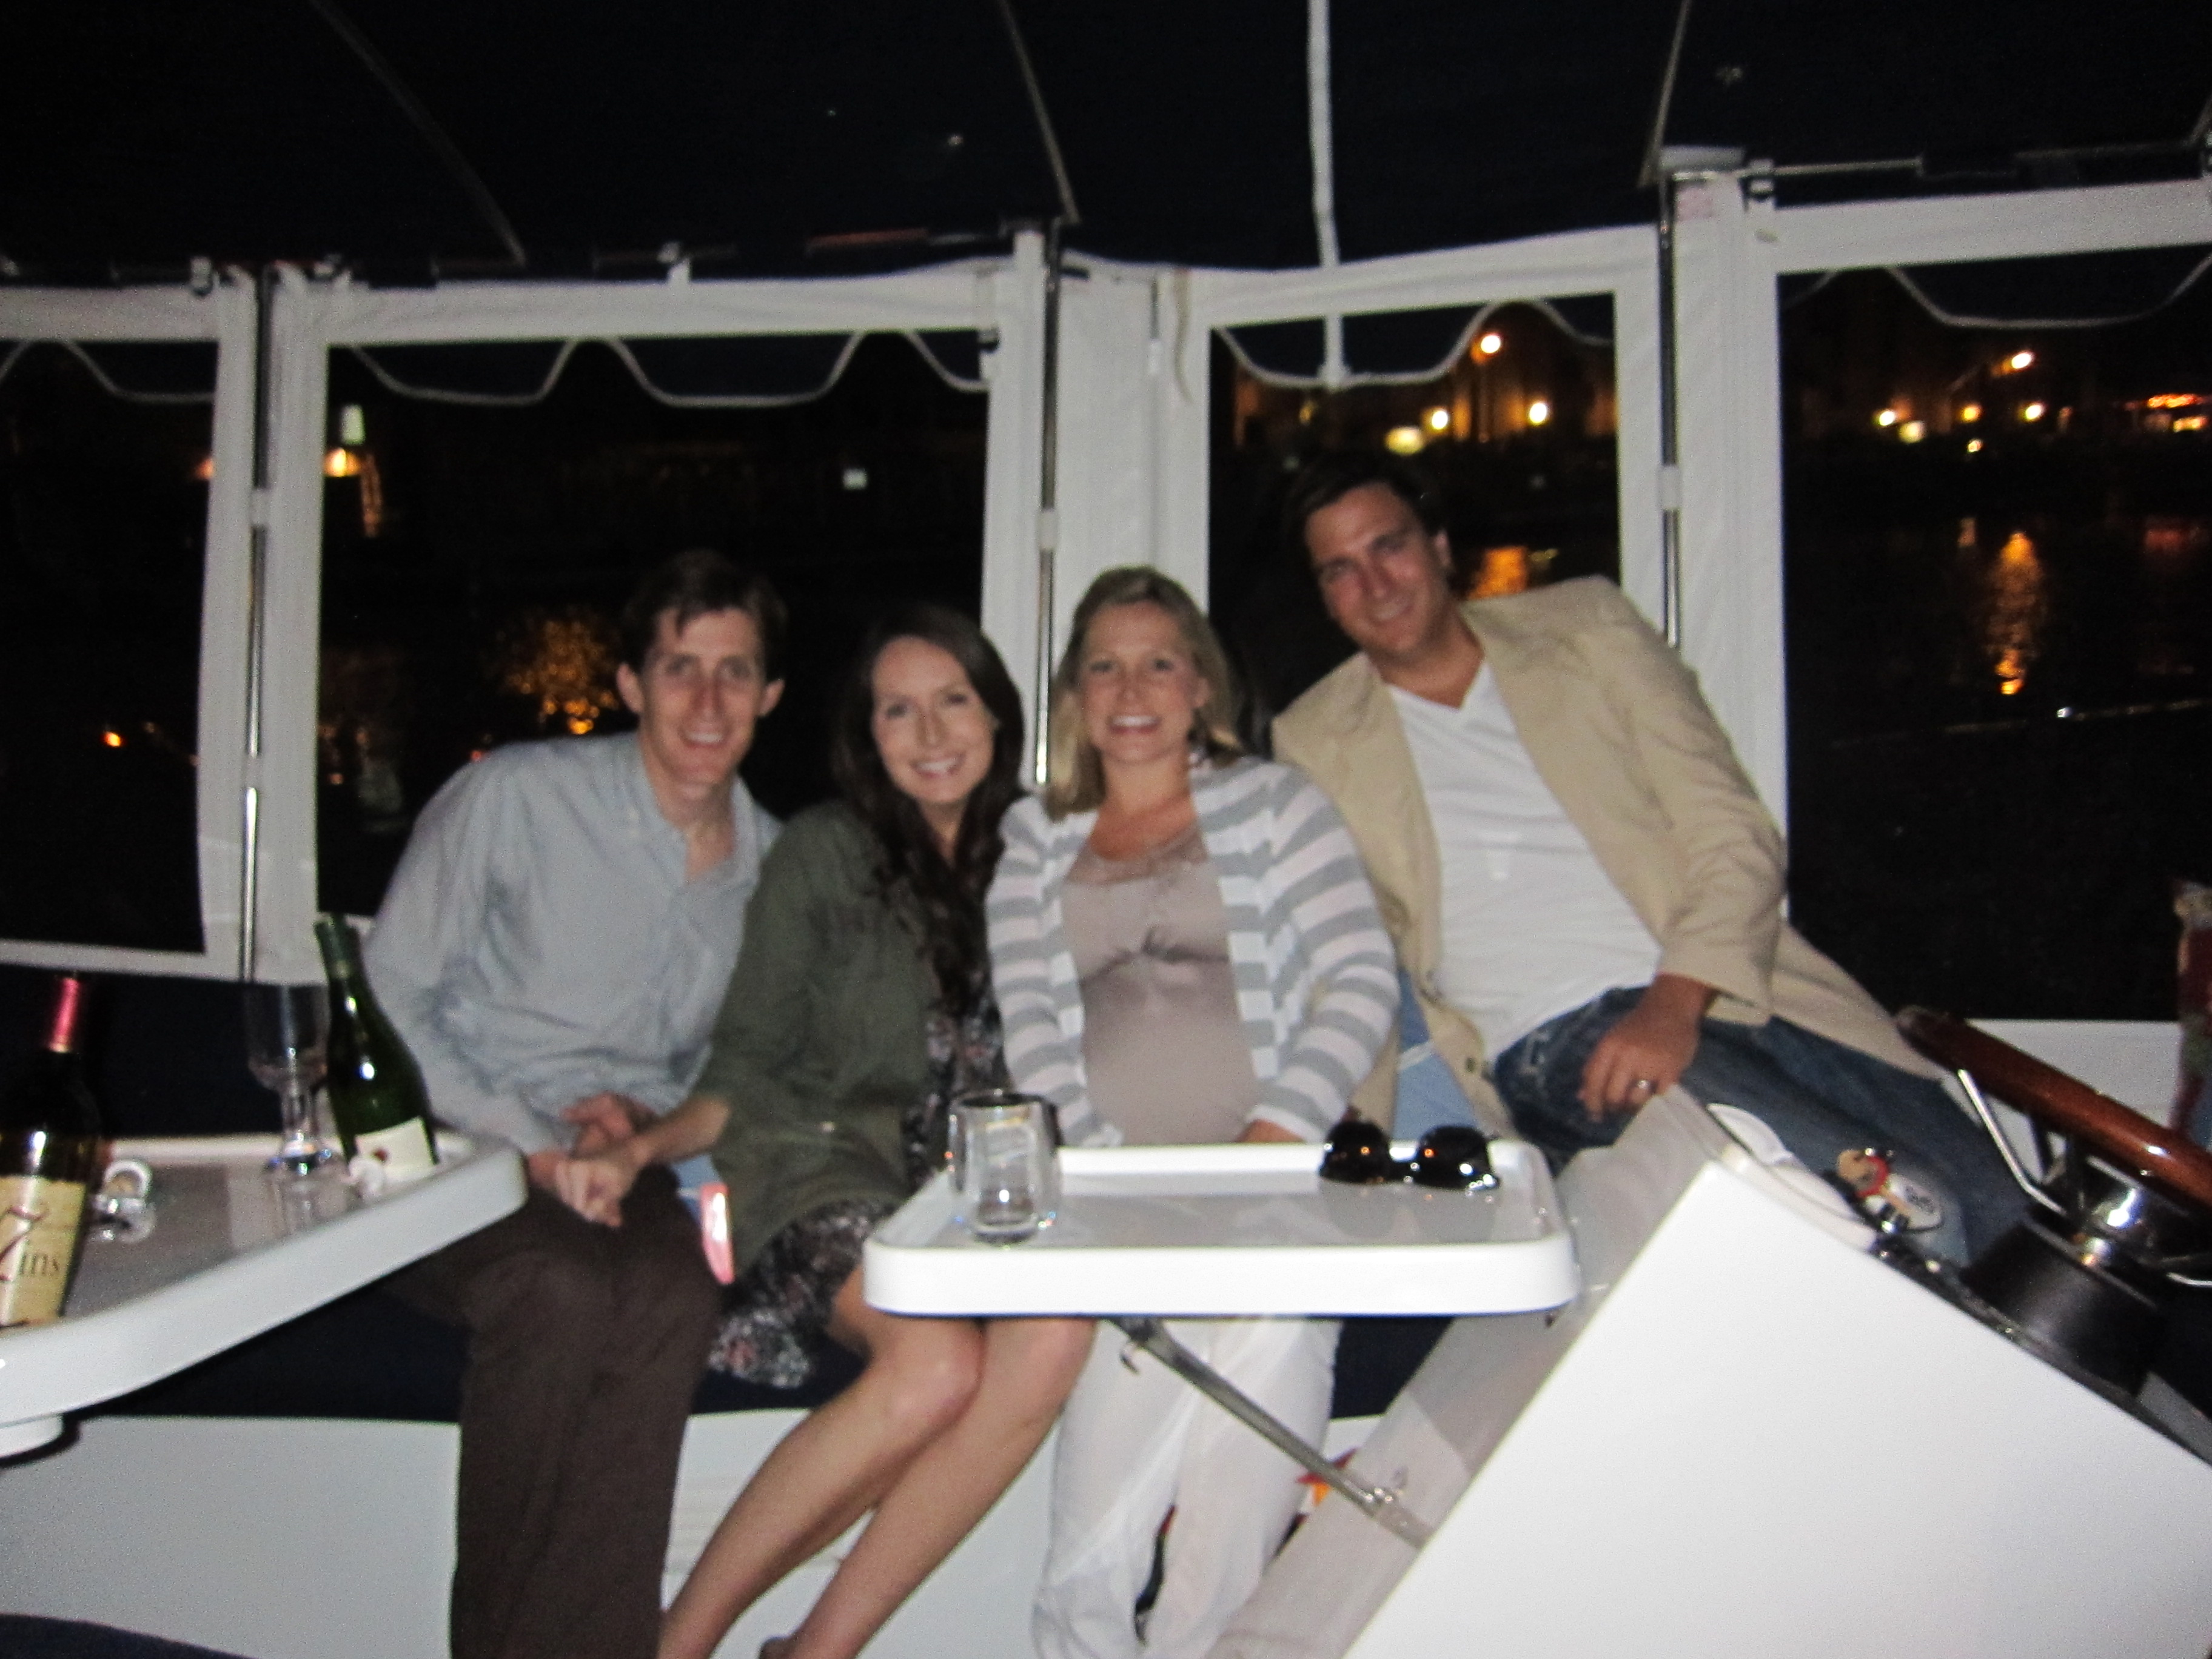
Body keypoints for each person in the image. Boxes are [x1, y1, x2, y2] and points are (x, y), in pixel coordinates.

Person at [1272, 452, 2020, 1263]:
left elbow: (1733, 833)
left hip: (1733, 990)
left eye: (1389, 546)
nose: (1375, 584)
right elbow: (1350, 949)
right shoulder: (1315, 738)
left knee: (2007, 1218)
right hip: (1561, 1041)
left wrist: (1673, 1004)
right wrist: (1346, 1112)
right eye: (1340, 570)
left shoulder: (1585, 628)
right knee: (1911, 1213)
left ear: (1440, 547)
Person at [575, 604, 1094, 1659]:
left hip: (978, 1197)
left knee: (1057, 1335)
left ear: (999, 716)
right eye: (897, 710)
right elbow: (743, 1065)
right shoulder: (825, 853)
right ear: (869, 734)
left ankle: (814, 1651)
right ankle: (675, 1647)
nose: (930, 733)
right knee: (934, 1366)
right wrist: (637, 1150)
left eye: (953, 701)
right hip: (815, 1165)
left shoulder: (1044, 856)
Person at [364, 549, 785, 1659]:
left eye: (736, 671)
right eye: (681, 668)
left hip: (621, 1168)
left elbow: (735, 1066)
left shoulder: (773, 871)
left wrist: (640, 1125)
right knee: (556, 1290)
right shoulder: (517, 798)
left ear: (771, 695)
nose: (708, 701)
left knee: (674, 1288)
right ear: (632, 684)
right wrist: (532, 1143)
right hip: (446, 1146)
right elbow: (389, 999)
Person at [990, 567, 1397, 1659]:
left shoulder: (1279, 807)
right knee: (1088, 1549)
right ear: (1075, 696)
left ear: (1201, 686)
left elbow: (1361, 978)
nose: (1132, 690)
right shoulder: (1032, 840)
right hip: (1122, 1210)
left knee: (1227, 1545)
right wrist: (1117, 1177)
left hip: (1274, 1197)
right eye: (1105, 667)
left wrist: (1272, 1140)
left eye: (1158, 663)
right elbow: (1033, 1032)